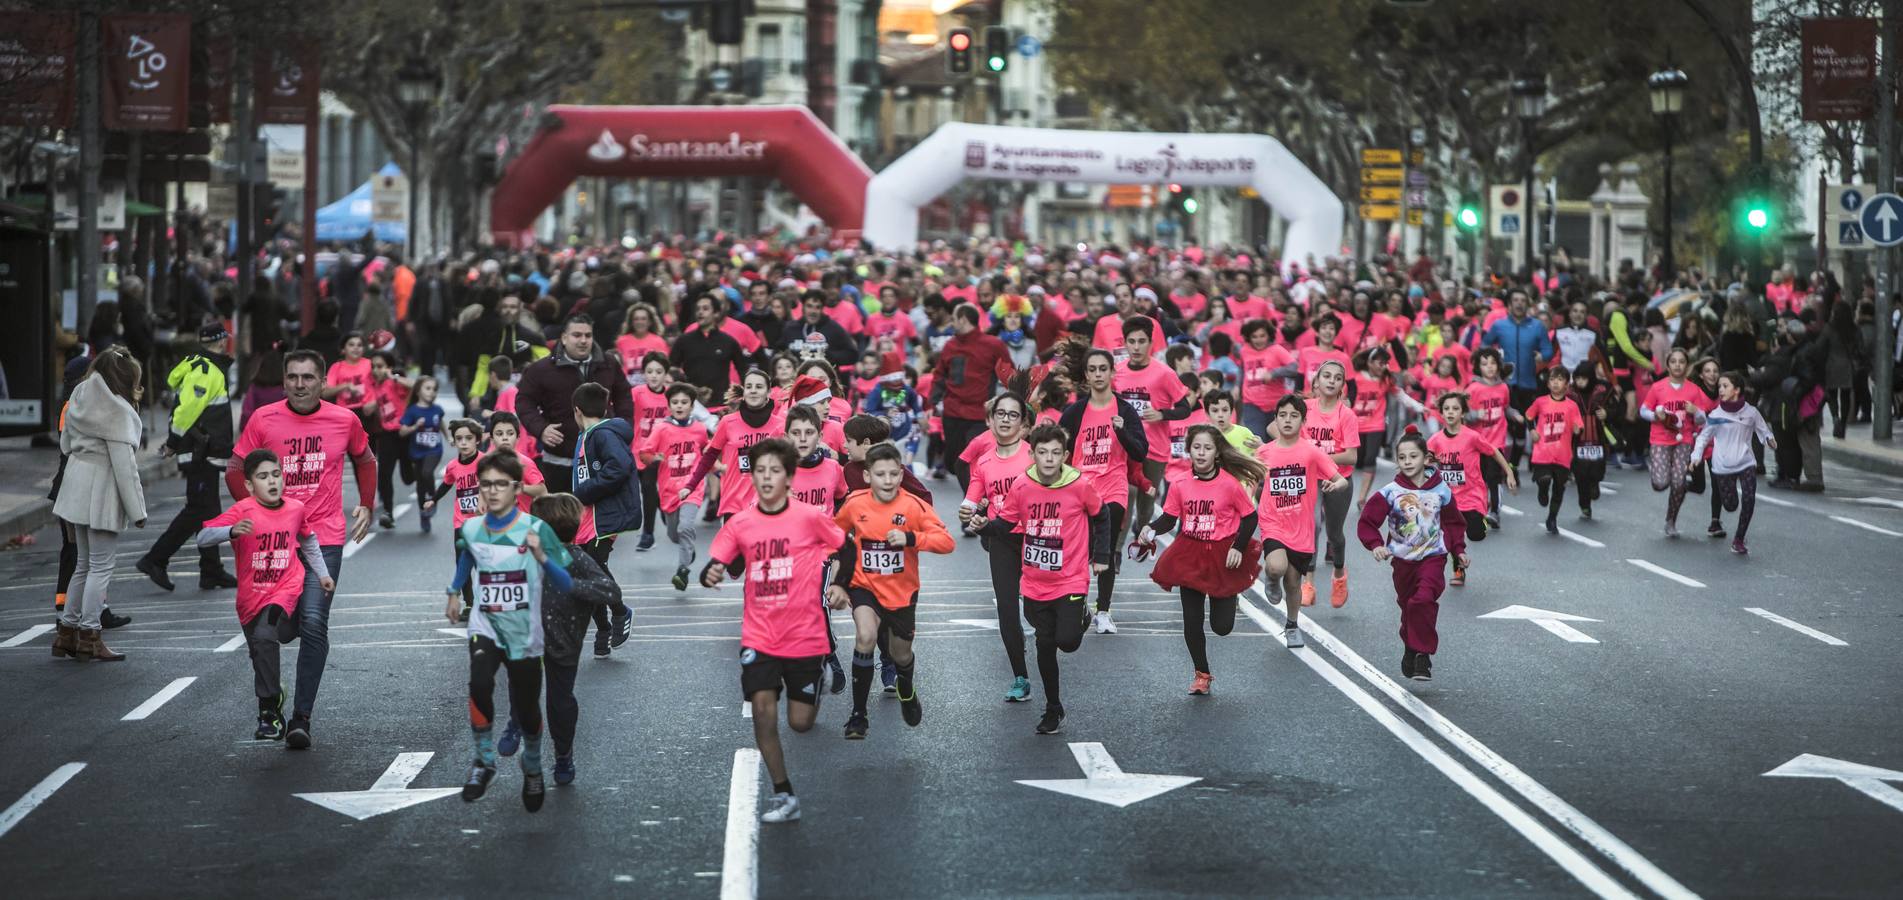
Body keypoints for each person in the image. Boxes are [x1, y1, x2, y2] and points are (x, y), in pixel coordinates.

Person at [227, 348, 376, 750]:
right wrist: (253, 512)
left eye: (307, 377)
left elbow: (365, 459)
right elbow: (236, 468)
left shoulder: (344, 419)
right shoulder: (264, 419)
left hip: (322, 537)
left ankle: (301, 717)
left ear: (323, 382)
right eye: (292, 377)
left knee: (313, 621)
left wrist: (367, 502)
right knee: (267, 629)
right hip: (274, 540)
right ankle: (269, 702)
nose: (298, 384)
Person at [701, 438, 853, 824]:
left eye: (775, 471)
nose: (767, 477)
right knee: (763, 712)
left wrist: (841, 585)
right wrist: (711, 572)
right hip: (760, 634)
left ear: (789, 478)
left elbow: (846, 547)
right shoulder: (741, 522)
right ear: (752, 477)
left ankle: (815, 684)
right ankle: (784, 793)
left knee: (800, 724)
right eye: (760, 471)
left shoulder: (808, 517)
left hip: (805, 635)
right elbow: (719, 561)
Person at [443, 452, 573, 812]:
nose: (493, 491)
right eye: (486, 484)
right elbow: (468, 558)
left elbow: (566, 584)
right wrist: (454, 592)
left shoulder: (536, 529)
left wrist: (543, 558)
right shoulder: (471, 528)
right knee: (480, 683)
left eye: (501, 484)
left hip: (524, 634)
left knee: (527, 707)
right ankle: (483, 762)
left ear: (517, 488)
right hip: (485, 624)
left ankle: (532, 764)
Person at [970, 422, 1112, 736]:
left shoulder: (1079, 484)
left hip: (1071, 578)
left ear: (1064, 455)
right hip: (1034, 581)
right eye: (1043, 453)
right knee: (1045, 645)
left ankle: (1082, 616)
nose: (1049, 459)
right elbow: (1006, 524)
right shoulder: (1022, 485)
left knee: (1068, 642)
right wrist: (983, 526)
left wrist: (1101, 556)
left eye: (1056, 453)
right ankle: (1053, 708)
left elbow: (1102, 516)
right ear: (1032, 454)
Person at [195, 449, 333, 739]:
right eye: (262, 477)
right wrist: (231, 531)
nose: (271, 481)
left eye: (276, 474)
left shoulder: (295, 509)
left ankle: (267, 714)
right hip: (250, 597)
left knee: (267, 634)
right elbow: (203, 537)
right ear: (248, 485)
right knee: (260, 650)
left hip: (286, 588)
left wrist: (322, 575)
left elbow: (308, 541)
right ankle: (274, 699)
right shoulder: (243, 510)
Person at [828, 443, 955, 738]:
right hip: (865, 587)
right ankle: (858, 715)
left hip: (901, 593)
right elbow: (834, 537)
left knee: (901, 654)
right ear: (868, 476)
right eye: (880, 474)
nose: (887, 480)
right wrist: (837, 581)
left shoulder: (913, 506)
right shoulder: (855, 503)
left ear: (901, 474)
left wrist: (911, 538)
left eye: (893, 474)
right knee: (865, 636)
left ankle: (906, 688)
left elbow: (947, 542)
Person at [494, 493, 621, 786]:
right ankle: (515, 721)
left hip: (565, 639)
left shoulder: (576, 558)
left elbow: (611, 592)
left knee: (559, 702)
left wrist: (573, 588)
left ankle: (563, 755)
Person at [1139, 424, 1264, 695]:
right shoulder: (1180, 483)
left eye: (1207, 448)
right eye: (1196, 447)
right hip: (1191, 553)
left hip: (1223, 555)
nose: (1201, 452)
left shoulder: (1229, 484)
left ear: (1217, 452)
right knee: (1191, 620)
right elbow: (1169, 518)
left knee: (1222, 627)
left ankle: (1231, 596)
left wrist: (1238, 548)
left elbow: (1250, 516)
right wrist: (1150, 528)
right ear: (1189, 450)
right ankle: (1202, 674)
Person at [49, 349, 147, 662]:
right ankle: (90, 635)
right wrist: (138, 511)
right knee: (101, 566)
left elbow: (65, 443)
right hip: (102, 489)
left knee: (82, 564)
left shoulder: (79, 396)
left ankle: (67, 632)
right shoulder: (118, 411)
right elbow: (125, 468)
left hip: (75, 482)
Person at [1356, 429, 1468, 683]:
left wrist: (1458, 551)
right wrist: (1375, 545)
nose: (1407, 461)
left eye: (1413, 456)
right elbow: (1367, 522)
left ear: (1426, 459)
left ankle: (1423, 657)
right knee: (1408, 607)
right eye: (1402, 457)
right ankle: (1410, 647)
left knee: (1422, 601)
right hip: (1402, 561)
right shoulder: (1390, 492)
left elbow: (1453, 523)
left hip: (1433, 557)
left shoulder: (1442, 491)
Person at [137, 323, 240, 592]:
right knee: (197, 510)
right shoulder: (207, 370)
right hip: (201, 451)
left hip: (204, 450)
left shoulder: (201, 365)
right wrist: (172, 442)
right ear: (220, 342)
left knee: (210, 511)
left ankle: (211, 570)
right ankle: (155, 559)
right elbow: (187, 411)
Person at [1058, 347, 1147, 634]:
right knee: (1079, 549)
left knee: (1105, 547)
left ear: (1111, 372)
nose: (1098, 374)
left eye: (1103, 369)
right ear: (1086, 375)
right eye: (1093, 369)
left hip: (1113, 487)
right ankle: (1079, 601)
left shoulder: (1124, 410)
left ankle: (1104, 610)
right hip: (1081, 488)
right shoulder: (1074, 412)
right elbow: (1058, 449)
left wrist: (1122, 431)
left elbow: (1141, 451)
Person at [1253, 394, 1351, 647]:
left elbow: (1339, 477)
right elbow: (1250, 480)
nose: (1287, 420)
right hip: (1273, 522)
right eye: (1282, 415)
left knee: (1294, 582)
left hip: (1301, 527)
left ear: (1302, 422)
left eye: (1294, 416)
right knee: (1275, 566)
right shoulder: (1264, 452)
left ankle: (1292, 624)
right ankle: (1272, 580)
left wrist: (1335, 484)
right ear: (1275, 419)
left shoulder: (1311, 452)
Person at [958, 393, 1034, 702]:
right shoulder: (985, 462)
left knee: (1037, 608)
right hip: (1002, 538)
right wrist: (968, 512)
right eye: (999, 414)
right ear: (990, 420)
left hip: (1036, 538)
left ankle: (1076, 608)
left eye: (1012, 415)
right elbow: (971, 499)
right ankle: (1020, 676)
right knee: (1006, 608)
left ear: (1023, 423)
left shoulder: (1033, 456)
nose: (1005, 419)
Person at [516, 314, 634, 494]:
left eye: (588, 335)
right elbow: (524, 402)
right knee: (562, 518)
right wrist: (541, 428)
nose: (583, 340)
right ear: (564, 338)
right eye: (577, 335)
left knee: (598, 518)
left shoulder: (609, 364)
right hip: (560, 460)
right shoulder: (541, 369)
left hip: (603, 459)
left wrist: (622, 426)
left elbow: (624, 395)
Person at [567, 382, 639, 658]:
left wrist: (584, 492)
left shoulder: (603, 434)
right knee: (587, 569)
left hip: (603, 515)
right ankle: (603, 628)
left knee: (593, 567)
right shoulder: (587, 435)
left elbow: (619, 467)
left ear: (577, 410)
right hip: (587, 516)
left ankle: (620, 612)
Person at [1113, 316, 1192, 552]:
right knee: (1126, 495)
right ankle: (1116, 551)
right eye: (1131, 342)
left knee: (1146, 503)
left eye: (1141, 341)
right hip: (1124, 446)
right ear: (1124, 343)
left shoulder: (1164, 373)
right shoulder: (1116, 374)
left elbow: (1185, 408)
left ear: (1150, 343)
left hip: (1154, 448)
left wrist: (1162, 414)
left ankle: (1142, 526)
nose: (1136, 347)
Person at [1425, 392, 1515, 588]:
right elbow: (1424, 462)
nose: (1450, 412)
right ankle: (1459, 570)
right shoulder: (1435, 440)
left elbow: (1494, 452)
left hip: (1472, 497)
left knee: (1476, 534)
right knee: (1451, 538)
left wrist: (1509, 472)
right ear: (1441, 413)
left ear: (1463, 413)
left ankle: (1480, 522)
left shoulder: (1472, 437)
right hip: (1447, 500)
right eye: (1446, 409)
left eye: (1455, 409)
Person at [683, 368, 786, 519]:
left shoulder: (780, 425)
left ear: (768, 393)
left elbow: (790, 463)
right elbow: (710, 455)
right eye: (749, 387)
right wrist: (690, 485)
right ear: (744, 392)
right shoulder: (728, 422)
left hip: (768, 501)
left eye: (759, 387)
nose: (753, 391)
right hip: (734, 502)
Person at [1691, 371, 1776, 555]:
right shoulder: (1715, 415)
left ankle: (1739, 538)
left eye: (1725, 386)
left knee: (1749, 498)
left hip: (1746, 462)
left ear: (1736, 390)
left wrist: (1769, 439)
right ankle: (1732, 518)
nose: (1720, 390)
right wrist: (1696, 457)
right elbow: (1703, 438)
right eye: (1719, 386)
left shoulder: (1751, 412)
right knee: (1731, 505)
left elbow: (1763, 429)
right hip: (1722, 465)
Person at [639, 384, 713, 591]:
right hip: (668, 490)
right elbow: (644, 453)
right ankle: (687, 550)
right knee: (675, 534)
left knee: (685, 527)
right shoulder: (662, 428)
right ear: (669, 405)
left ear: (692, 406)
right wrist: (654, 458)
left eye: (684, 402)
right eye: (675, 402)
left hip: (692, 487)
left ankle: (682, 571)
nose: (679, 406)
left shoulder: (698, 428)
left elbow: (707, 452)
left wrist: (719, 467)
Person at [930, 303, 1011, 491]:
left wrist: (1012, 402)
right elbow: (940, 375)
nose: (952, 323)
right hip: (952, 413)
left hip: (979, 415)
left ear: (963, 319)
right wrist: (933, 401)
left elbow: (1009, 374)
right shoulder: (950, 345)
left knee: (970, 461)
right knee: (953, 462)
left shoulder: (993, 345)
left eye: (955, 319)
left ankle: (974, 504)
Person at [1301, 359, 1361, 610]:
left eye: (1337, 378)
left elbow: (1351, 456)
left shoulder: (1346, 415)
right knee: (1312, 528)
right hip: (1311, 478)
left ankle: (1339, 576)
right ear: (1316, 381)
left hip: (1338, 480)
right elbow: (1276, 426)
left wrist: (1317, 456)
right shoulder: (1303, 408)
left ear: (1342, 387)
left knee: (1334, 534)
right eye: (1326, 375)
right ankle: (1309, 583)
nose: (1331, 380)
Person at [1640, 348, 1714, 537]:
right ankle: (1658, 472)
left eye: (1681, 361)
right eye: (1673, 361)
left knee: (1679, 483)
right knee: (1660, 483)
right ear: (1668, 365)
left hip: (1684, 440)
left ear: (1686, 366)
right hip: (1660, 439)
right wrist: (1656, 416)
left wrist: (1695, 410)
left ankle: (1671, 520)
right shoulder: (1658, 387)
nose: (1678, 365)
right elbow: (1643, 410)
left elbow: (1701, 420)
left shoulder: (1693, 389)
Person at [1481, 290, 1554, 463]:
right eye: (1516, 300)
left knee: (1522, 426)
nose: (1519, 303)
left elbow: (1548, 350)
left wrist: (1541, 356)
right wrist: (1494, 357)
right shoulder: (1499, 325)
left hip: (1528, 384)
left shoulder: (1537, 326)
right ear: (1509, 304)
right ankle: (1500, 463)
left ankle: (1513, 464)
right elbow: (1484, 345)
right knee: (1503, 425)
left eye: (1523, 300)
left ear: (1528, 304)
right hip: (1503, 384)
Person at [425, 419, 486, 619]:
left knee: (483, 563)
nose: (464, 442)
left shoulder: (485, 462)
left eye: (469, 438)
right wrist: (433, 500)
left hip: (483, 522)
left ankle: (488, 601)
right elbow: (446, 484)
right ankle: (470, 604)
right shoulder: (453, 466)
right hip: (461, 522)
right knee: (462, 563)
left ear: (477, 440)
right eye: (459, 439)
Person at [1527, 366, 1586, 534]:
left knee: (1560, 488)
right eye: (1552, 379)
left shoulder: (1572, 406)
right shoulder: (1541, 402)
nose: (1555, 383)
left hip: (1563, 454)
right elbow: (1529, 416)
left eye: (1560, 380)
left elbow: (1579, 425)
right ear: (1548, 383)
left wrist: (1577, 430)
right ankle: (1542, 490)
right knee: (1544, 478)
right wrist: (1532, 430)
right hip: (1542, 452)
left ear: (1567, 385)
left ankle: (1552, 518)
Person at [365, 351, 413, 529]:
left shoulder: (395, 382)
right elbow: (372, 407)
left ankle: (415, 474)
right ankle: (388, 512)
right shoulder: (373, 385)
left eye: (380, 366)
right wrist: (371, 406)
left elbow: (414, 385)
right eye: (373, 367)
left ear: (389, 367)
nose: (376, 370)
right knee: (384, 474)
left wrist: (393, 377)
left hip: (403, 432)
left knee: (408, 477)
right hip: (386, 434)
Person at [628, 352, 671, 549]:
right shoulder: (636, 393)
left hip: (660, 453)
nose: (654, 376)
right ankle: (663, 507)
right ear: (644, 373)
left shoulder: (671, 395)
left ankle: (648, 534)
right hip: (637, 449)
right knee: (643, 490)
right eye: (650, 371)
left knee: (648, 486)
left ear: (666, 374)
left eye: (659, 372)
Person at [397, 376, 447, 532]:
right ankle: (423, 513)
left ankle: (433, 498)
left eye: (434, 389)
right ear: (418, 391)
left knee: (427, 472)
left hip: (434, 450)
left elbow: (441, 422)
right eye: (428, 388)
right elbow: (402, 432)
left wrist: (449, 437)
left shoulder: (437, 410)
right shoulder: (412, 411)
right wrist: (414, 427)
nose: (432, 392)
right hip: (417, 451)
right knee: (420, 485)